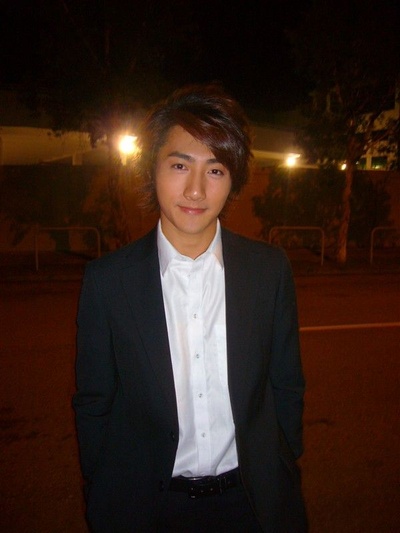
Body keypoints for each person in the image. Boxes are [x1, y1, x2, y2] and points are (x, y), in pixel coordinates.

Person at [73, 83, 307, 533]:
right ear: (152, 168)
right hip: (150, 508)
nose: (196, 190)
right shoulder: (108, 282)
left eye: (215, 170)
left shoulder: (268, 270)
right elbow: (94, 402)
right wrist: (103, 488)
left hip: (251, 502)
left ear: (233, 181)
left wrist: (282, 461)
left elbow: (287, 384)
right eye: (180, 165)